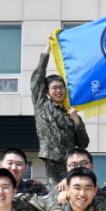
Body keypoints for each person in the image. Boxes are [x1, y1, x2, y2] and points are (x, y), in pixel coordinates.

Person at [32, 42, 90, 187]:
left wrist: (76, 120)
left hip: (71, 161)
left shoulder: (71, 112)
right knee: (57, 191)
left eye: (61, 87)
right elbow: (38, 76)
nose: (59, 91)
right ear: (47, 91)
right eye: (55, 88)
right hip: (52, 158)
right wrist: (48, 49)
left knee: (73, 188)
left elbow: (83, 143)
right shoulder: (42, 104)